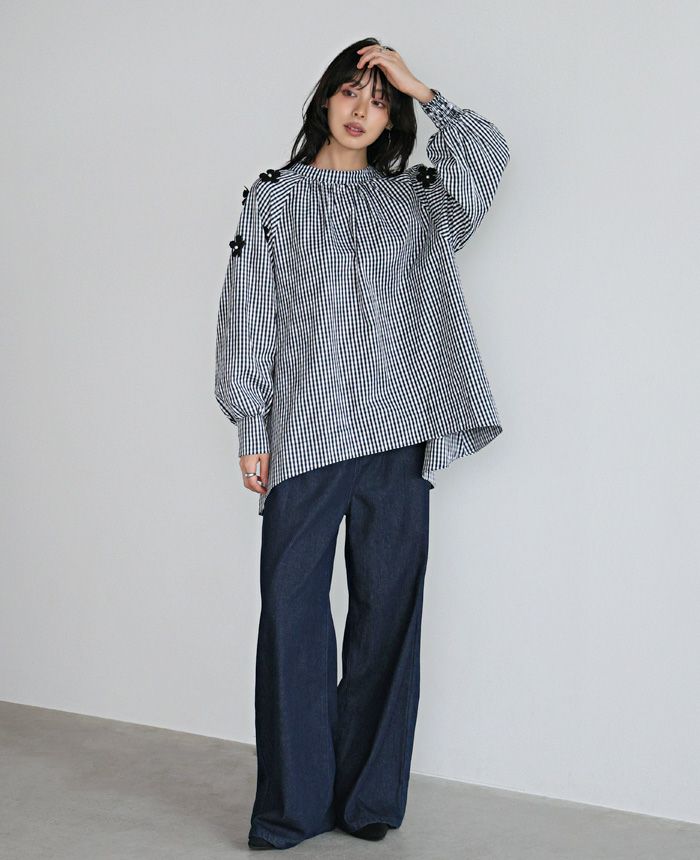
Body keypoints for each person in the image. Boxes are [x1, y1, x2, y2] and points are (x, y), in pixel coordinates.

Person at [214, 36, 510, 851]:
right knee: (293, 622)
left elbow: (488, 155)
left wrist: (423, 88)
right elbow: (249, 308)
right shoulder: (274, 198)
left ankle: (369, 801)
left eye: (380, 101)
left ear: (392, 120)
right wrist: (251, 424)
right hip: (306, 435)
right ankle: (292, 809)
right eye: (351, 91)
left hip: (396, 433)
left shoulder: (416, 200)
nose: (361, 109)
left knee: (387, 619)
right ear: (325, 98)